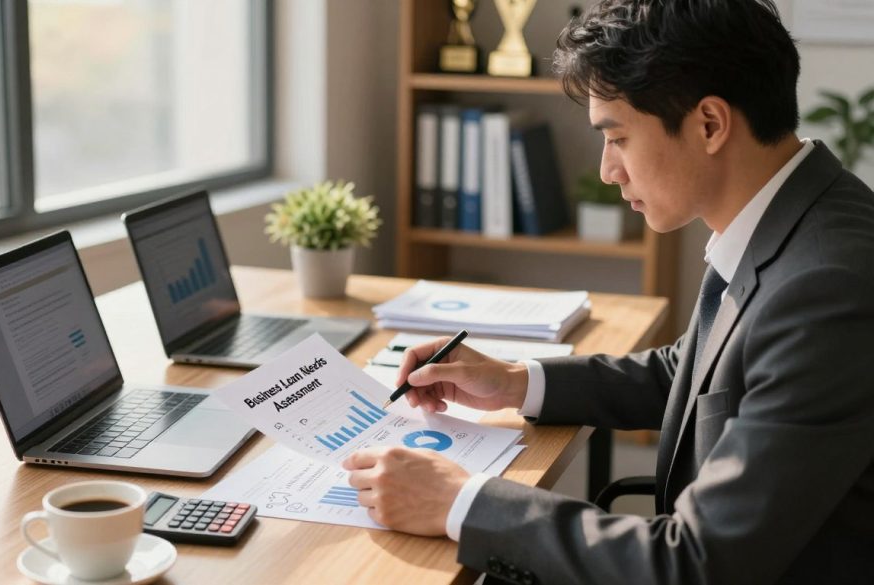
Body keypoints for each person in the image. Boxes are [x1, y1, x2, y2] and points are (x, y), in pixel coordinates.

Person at [343, 1, 874, 583]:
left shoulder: (827, 287)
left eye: (617, 137)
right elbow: (697, 375)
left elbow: (695, 563)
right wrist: (515, 382)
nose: (607, 170)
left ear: (710, 125)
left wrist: (461, 503)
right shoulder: (788, 218)